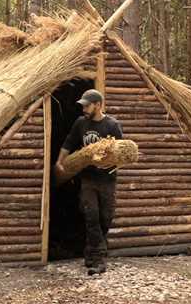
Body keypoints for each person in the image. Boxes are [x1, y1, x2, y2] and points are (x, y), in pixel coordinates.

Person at [55, 89, 122, 275]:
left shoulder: (112, 125)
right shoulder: (80, 123)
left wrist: (104, 159)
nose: (84, 108)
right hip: (88, 179)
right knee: (91, 216)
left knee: (105, 218)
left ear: (98, 105)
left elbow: (119, 154)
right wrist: (60, 162)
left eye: (87, 105)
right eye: (83, 105)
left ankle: (89, 251)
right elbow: (69, 142)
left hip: (107, 179)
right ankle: (99, 260)